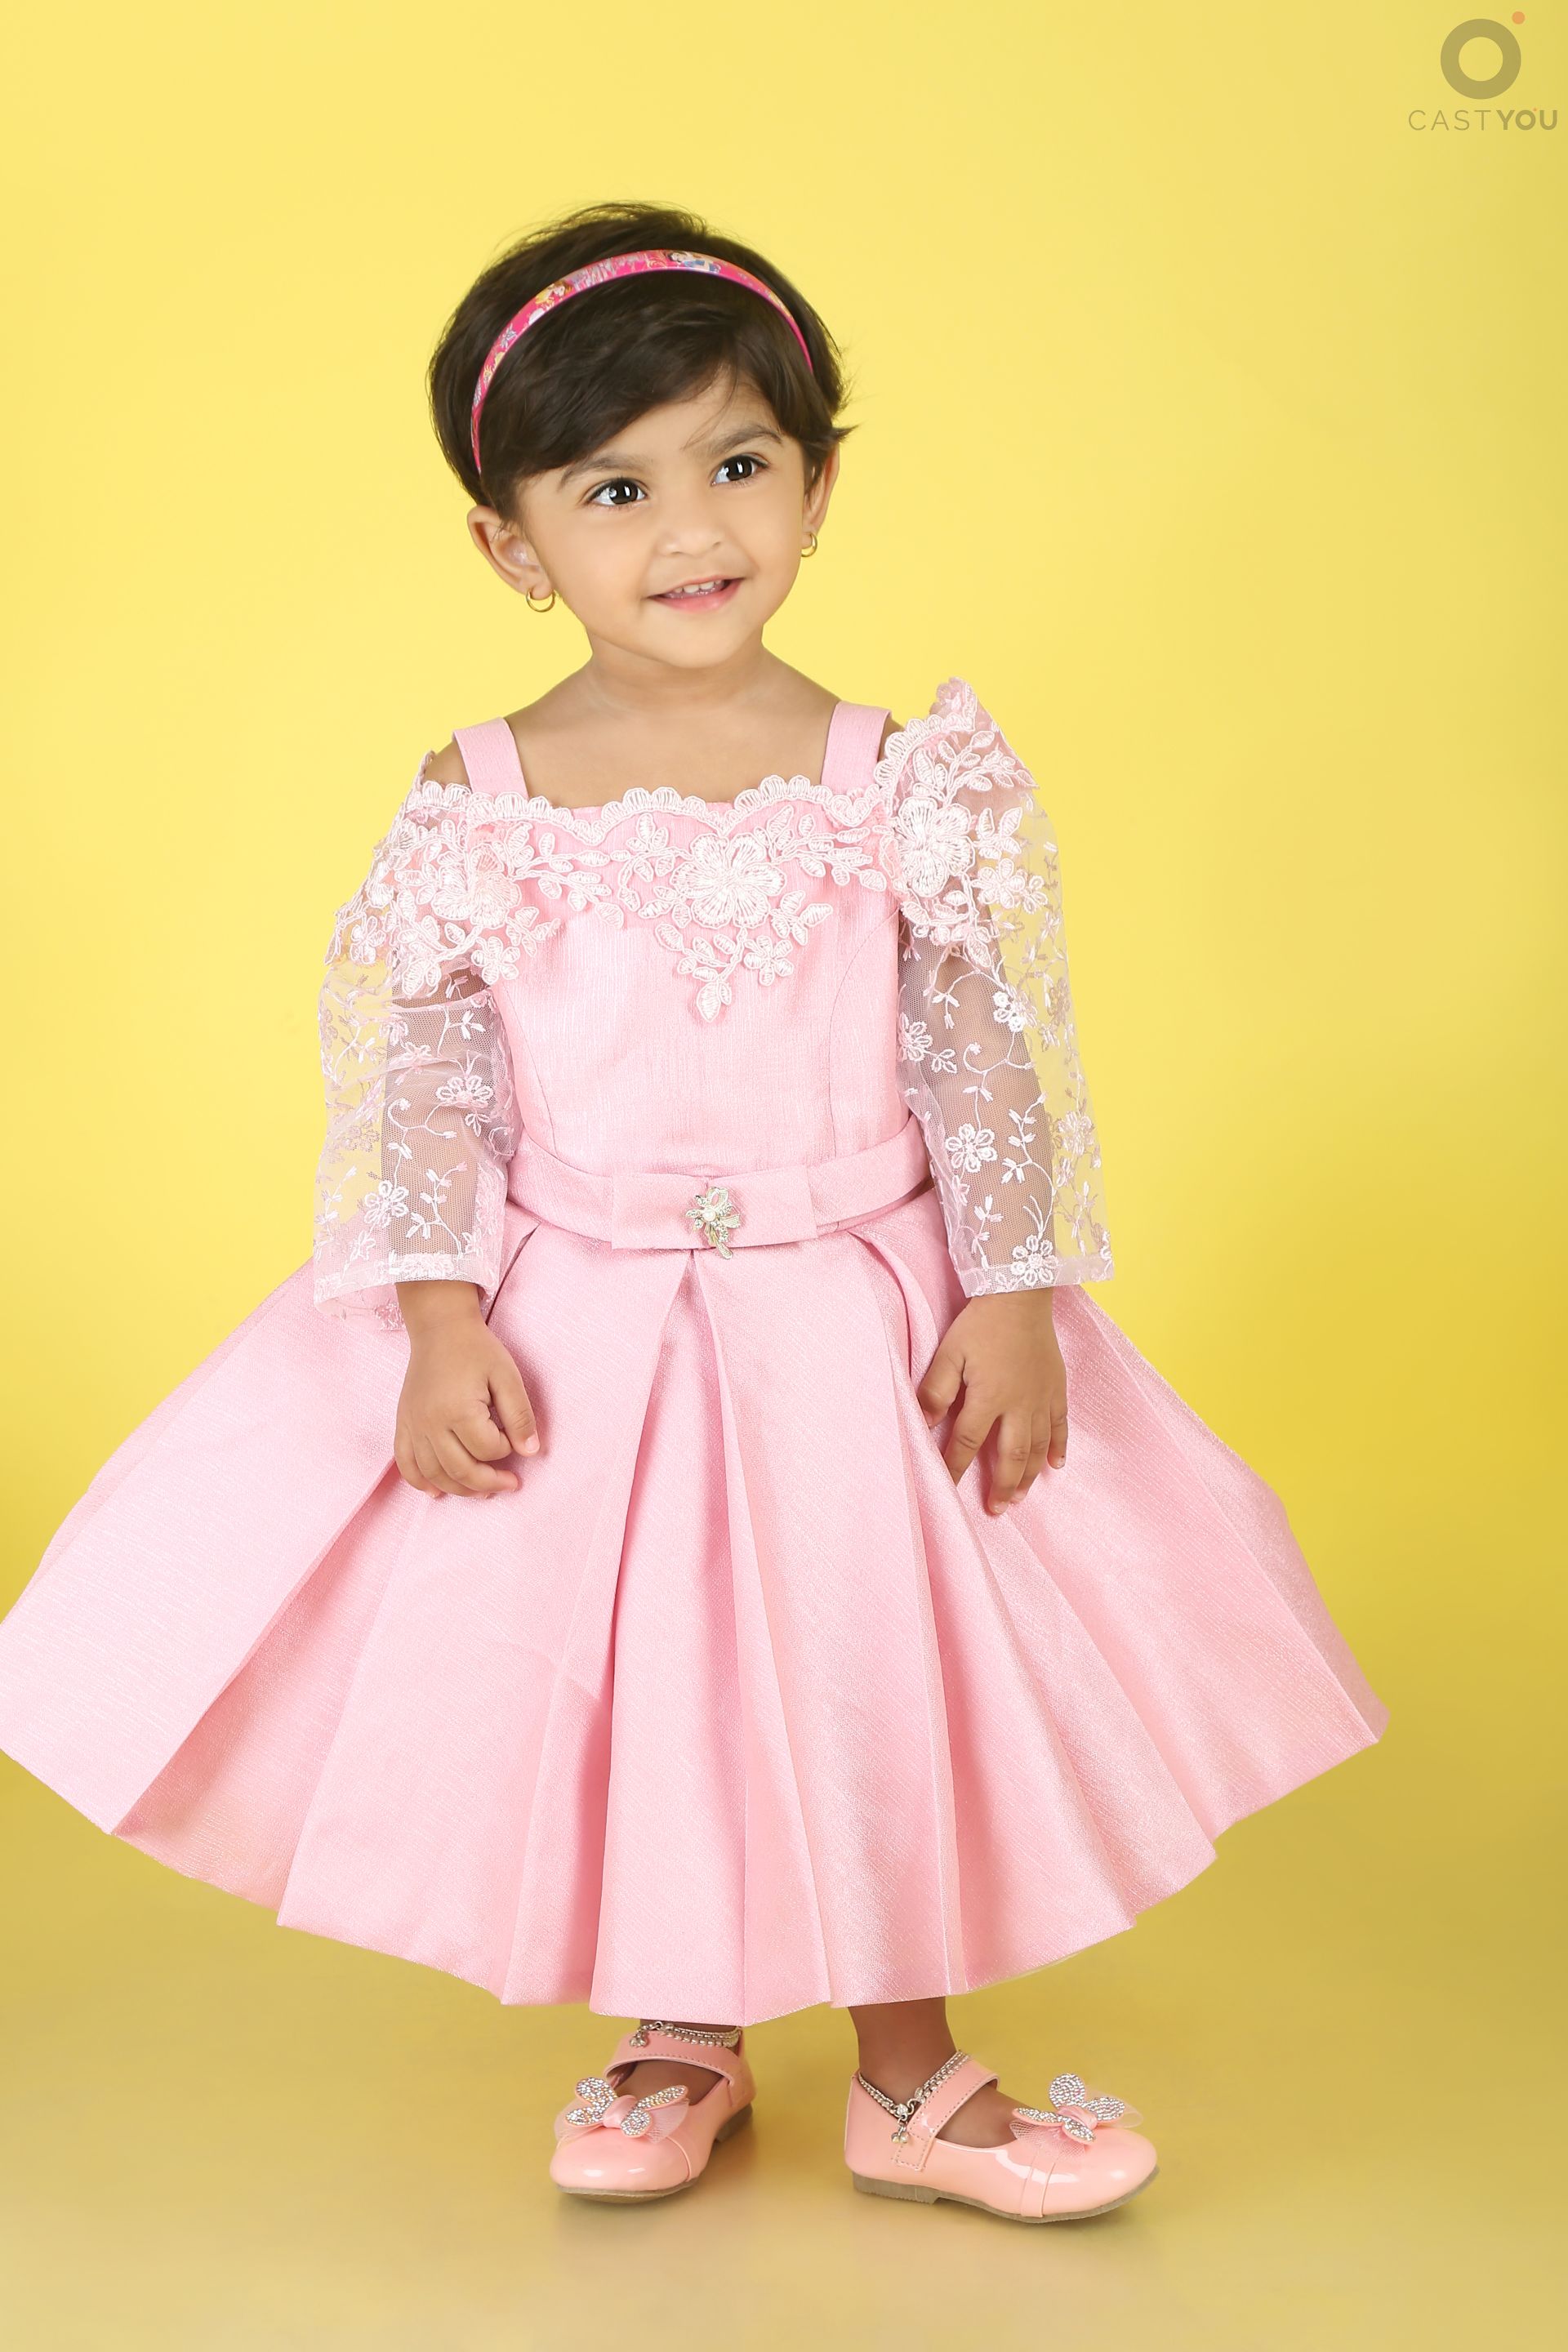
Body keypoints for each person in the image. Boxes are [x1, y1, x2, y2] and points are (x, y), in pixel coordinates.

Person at [0, 200, 1387, 2224]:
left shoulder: (900, 779)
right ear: (512, 544)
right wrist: (440, 1314)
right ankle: (680, 2032)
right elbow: (428, 1073)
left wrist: (1013, 1292)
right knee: (655, 1669)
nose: (689, 530)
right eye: (614, 490)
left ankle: (908, 2076)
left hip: (861, 1316)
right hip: (596, 1323)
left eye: (738, 464)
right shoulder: (482, 794)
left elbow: (983, 1048)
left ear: (819, 487)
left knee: (873, 1664)